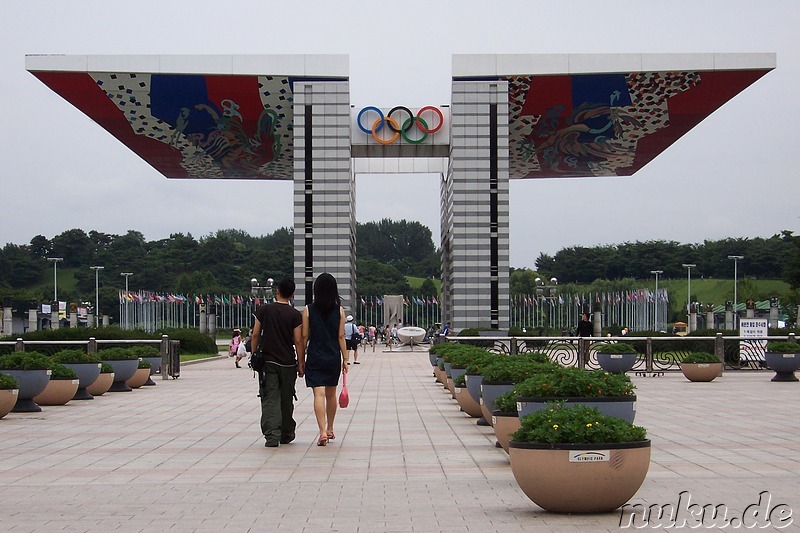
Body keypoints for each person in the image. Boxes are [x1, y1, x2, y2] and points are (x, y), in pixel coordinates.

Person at [251, 279, 305, 448]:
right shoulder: (295, 314)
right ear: (292, 294)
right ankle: (286, 433)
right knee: (286, 398)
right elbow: (298, 340)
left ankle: (272, 435)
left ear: (277, 292)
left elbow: (255, 334)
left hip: (268, 361)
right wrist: (301, 363)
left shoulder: (264, 310)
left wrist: (254, 354)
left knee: (270, 398)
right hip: (288, 363)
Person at [301, 273, 348, 446]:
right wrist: (346, 358)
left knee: (318, 393)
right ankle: (330, 428)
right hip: (333, 356)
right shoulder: (340, 310)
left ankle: (321, 432)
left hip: (315, 355)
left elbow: (304, 336)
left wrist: (301, 358)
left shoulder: (308, 310)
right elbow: (341, 336)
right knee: (331, 394)